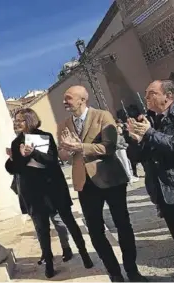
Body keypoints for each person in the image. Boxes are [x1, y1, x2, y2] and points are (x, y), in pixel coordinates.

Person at [58, 85, 146, 282]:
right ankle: (114, 273)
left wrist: (80, 146)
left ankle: (132, 270)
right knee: (95, 231)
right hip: (84, 183)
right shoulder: (63, 124)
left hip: (110, 179)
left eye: (68, 98)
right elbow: (62, 154)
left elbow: (109, 147)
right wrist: (67, 150)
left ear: (82, 99)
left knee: (123, 225)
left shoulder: (102, 116)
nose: (65, 102)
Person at [6, 108, 93, 278]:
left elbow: (52, 161)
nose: (17, 122)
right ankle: (49, 263)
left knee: (68, 221)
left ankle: (84, 254)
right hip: (33, 191)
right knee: (41, 228)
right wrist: (13, 159)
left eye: (21, 120)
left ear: (30, 120)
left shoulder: (44, 136)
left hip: (53, 188)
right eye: (16, 120)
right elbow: (15, 170)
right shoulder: (17, 143)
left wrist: (34, 153)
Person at [127, 79, 174, 240]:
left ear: (168, 96)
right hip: (161, 190)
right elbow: (134, 157)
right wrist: (136, 141)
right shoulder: (148, 120)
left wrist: (149, 133)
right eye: (145, 94)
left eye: (152, 94)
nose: (146, 97)